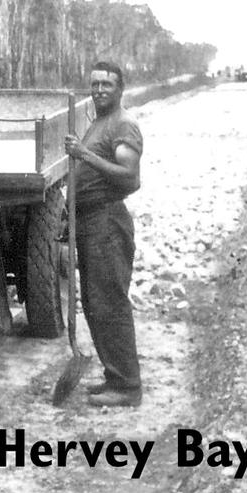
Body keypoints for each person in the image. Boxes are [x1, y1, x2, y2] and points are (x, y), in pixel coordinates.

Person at [63, 60, 144, 408]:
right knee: (96, 304)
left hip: (108, 222)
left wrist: (83, 155)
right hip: (90, 222)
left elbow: (130, 176)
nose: (98, 90)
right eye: (94, 84)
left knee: (110, 303)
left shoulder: (124, 125)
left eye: (106, 85)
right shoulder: (100, 122)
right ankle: (115, 377)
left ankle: (127, 387)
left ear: (120, 89)